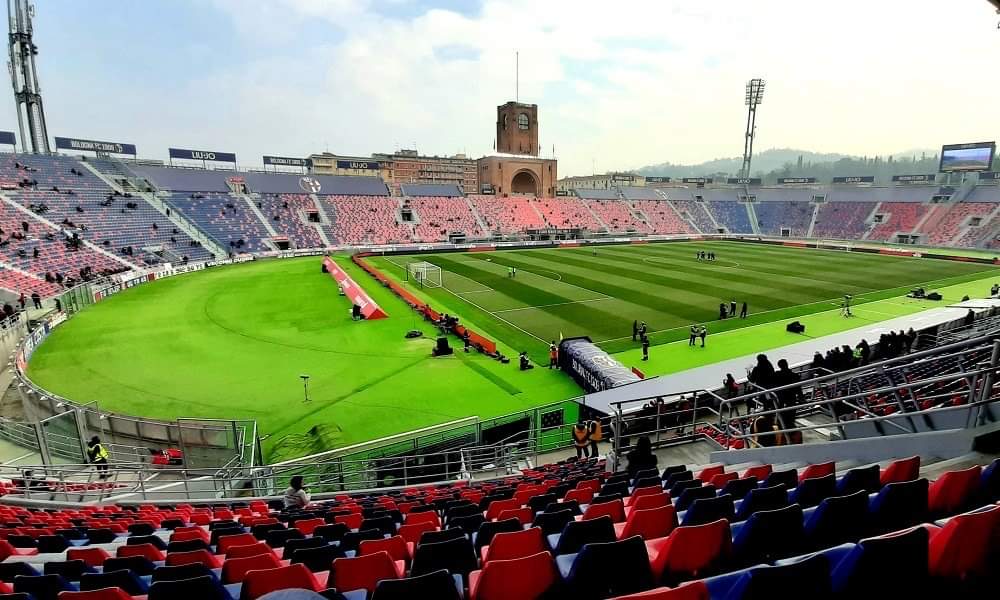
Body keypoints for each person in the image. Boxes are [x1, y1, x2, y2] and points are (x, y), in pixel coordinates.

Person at [772, 359, 803, 445]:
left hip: (781, 401)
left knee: (781, 419)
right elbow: (798, 389)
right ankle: (791, 436)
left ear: (779, 366)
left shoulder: (776, 375)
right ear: (787, 364)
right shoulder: (794, 375)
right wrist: (801, 399)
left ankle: (785, 437)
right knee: (790, 418)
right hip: (791, 400)